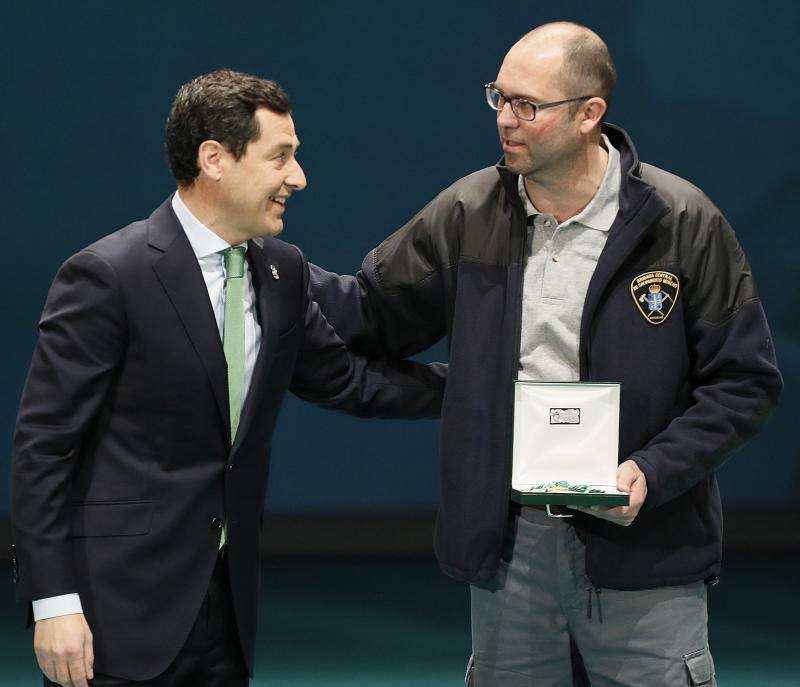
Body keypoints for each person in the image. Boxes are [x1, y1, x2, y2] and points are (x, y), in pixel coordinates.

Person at [309, 22, 782, 687]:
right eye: (499, 98)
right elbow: (366, 310)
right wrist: (263, 266)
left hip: (646, 543)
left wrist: (654, 467)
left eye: (527, 105)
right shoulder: (469, 211)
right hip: (511, 545)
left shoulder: (683, 221)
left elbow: (744, 383)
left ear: (591, 113)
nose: (506, 119)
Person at [11, 69, 445, 687]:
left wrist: (481, 389)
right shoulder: (108, 275)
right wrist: (52, 602)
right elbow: (43, 450)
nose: (298, 178)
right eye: (281, 157)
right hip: (115, 607)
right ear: (214, 159)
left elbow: (351, 382)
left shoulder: (282, 270)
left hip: (227, 607)